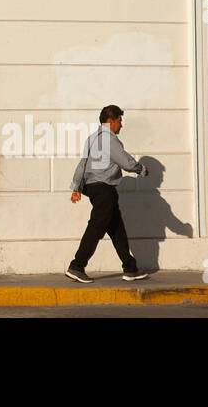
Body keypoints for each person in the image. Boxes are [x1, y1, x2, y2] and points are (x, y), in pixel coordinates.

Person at [66, 105, 149, 283]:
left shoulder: (91, 139)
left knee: (117, 228)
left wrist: (76, 187)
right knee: (96, 227)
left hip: (93, 187)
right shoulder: (109, 140)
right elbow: (125, 161)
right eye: (120, 120)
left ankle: (130, 268)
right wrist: (141, 169)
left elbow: (82, 165)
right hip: (104, 189)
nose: (121, 125)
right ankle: (77, 266)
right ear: (111, 121)